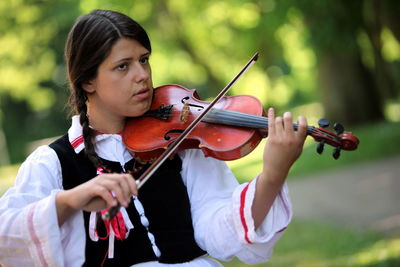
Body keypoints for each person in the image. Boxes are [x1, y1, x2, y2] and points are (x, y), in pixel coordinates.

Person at [0, 9, 307, 267]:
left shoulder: (180, 144)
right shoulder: (52, 163)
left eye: (144, 60)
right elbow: (6, 239)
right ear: (87, 81)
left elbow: (219, 230)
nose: (142, 75)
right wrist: (71, 199)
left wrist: (272, 175)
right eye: (123, 66)